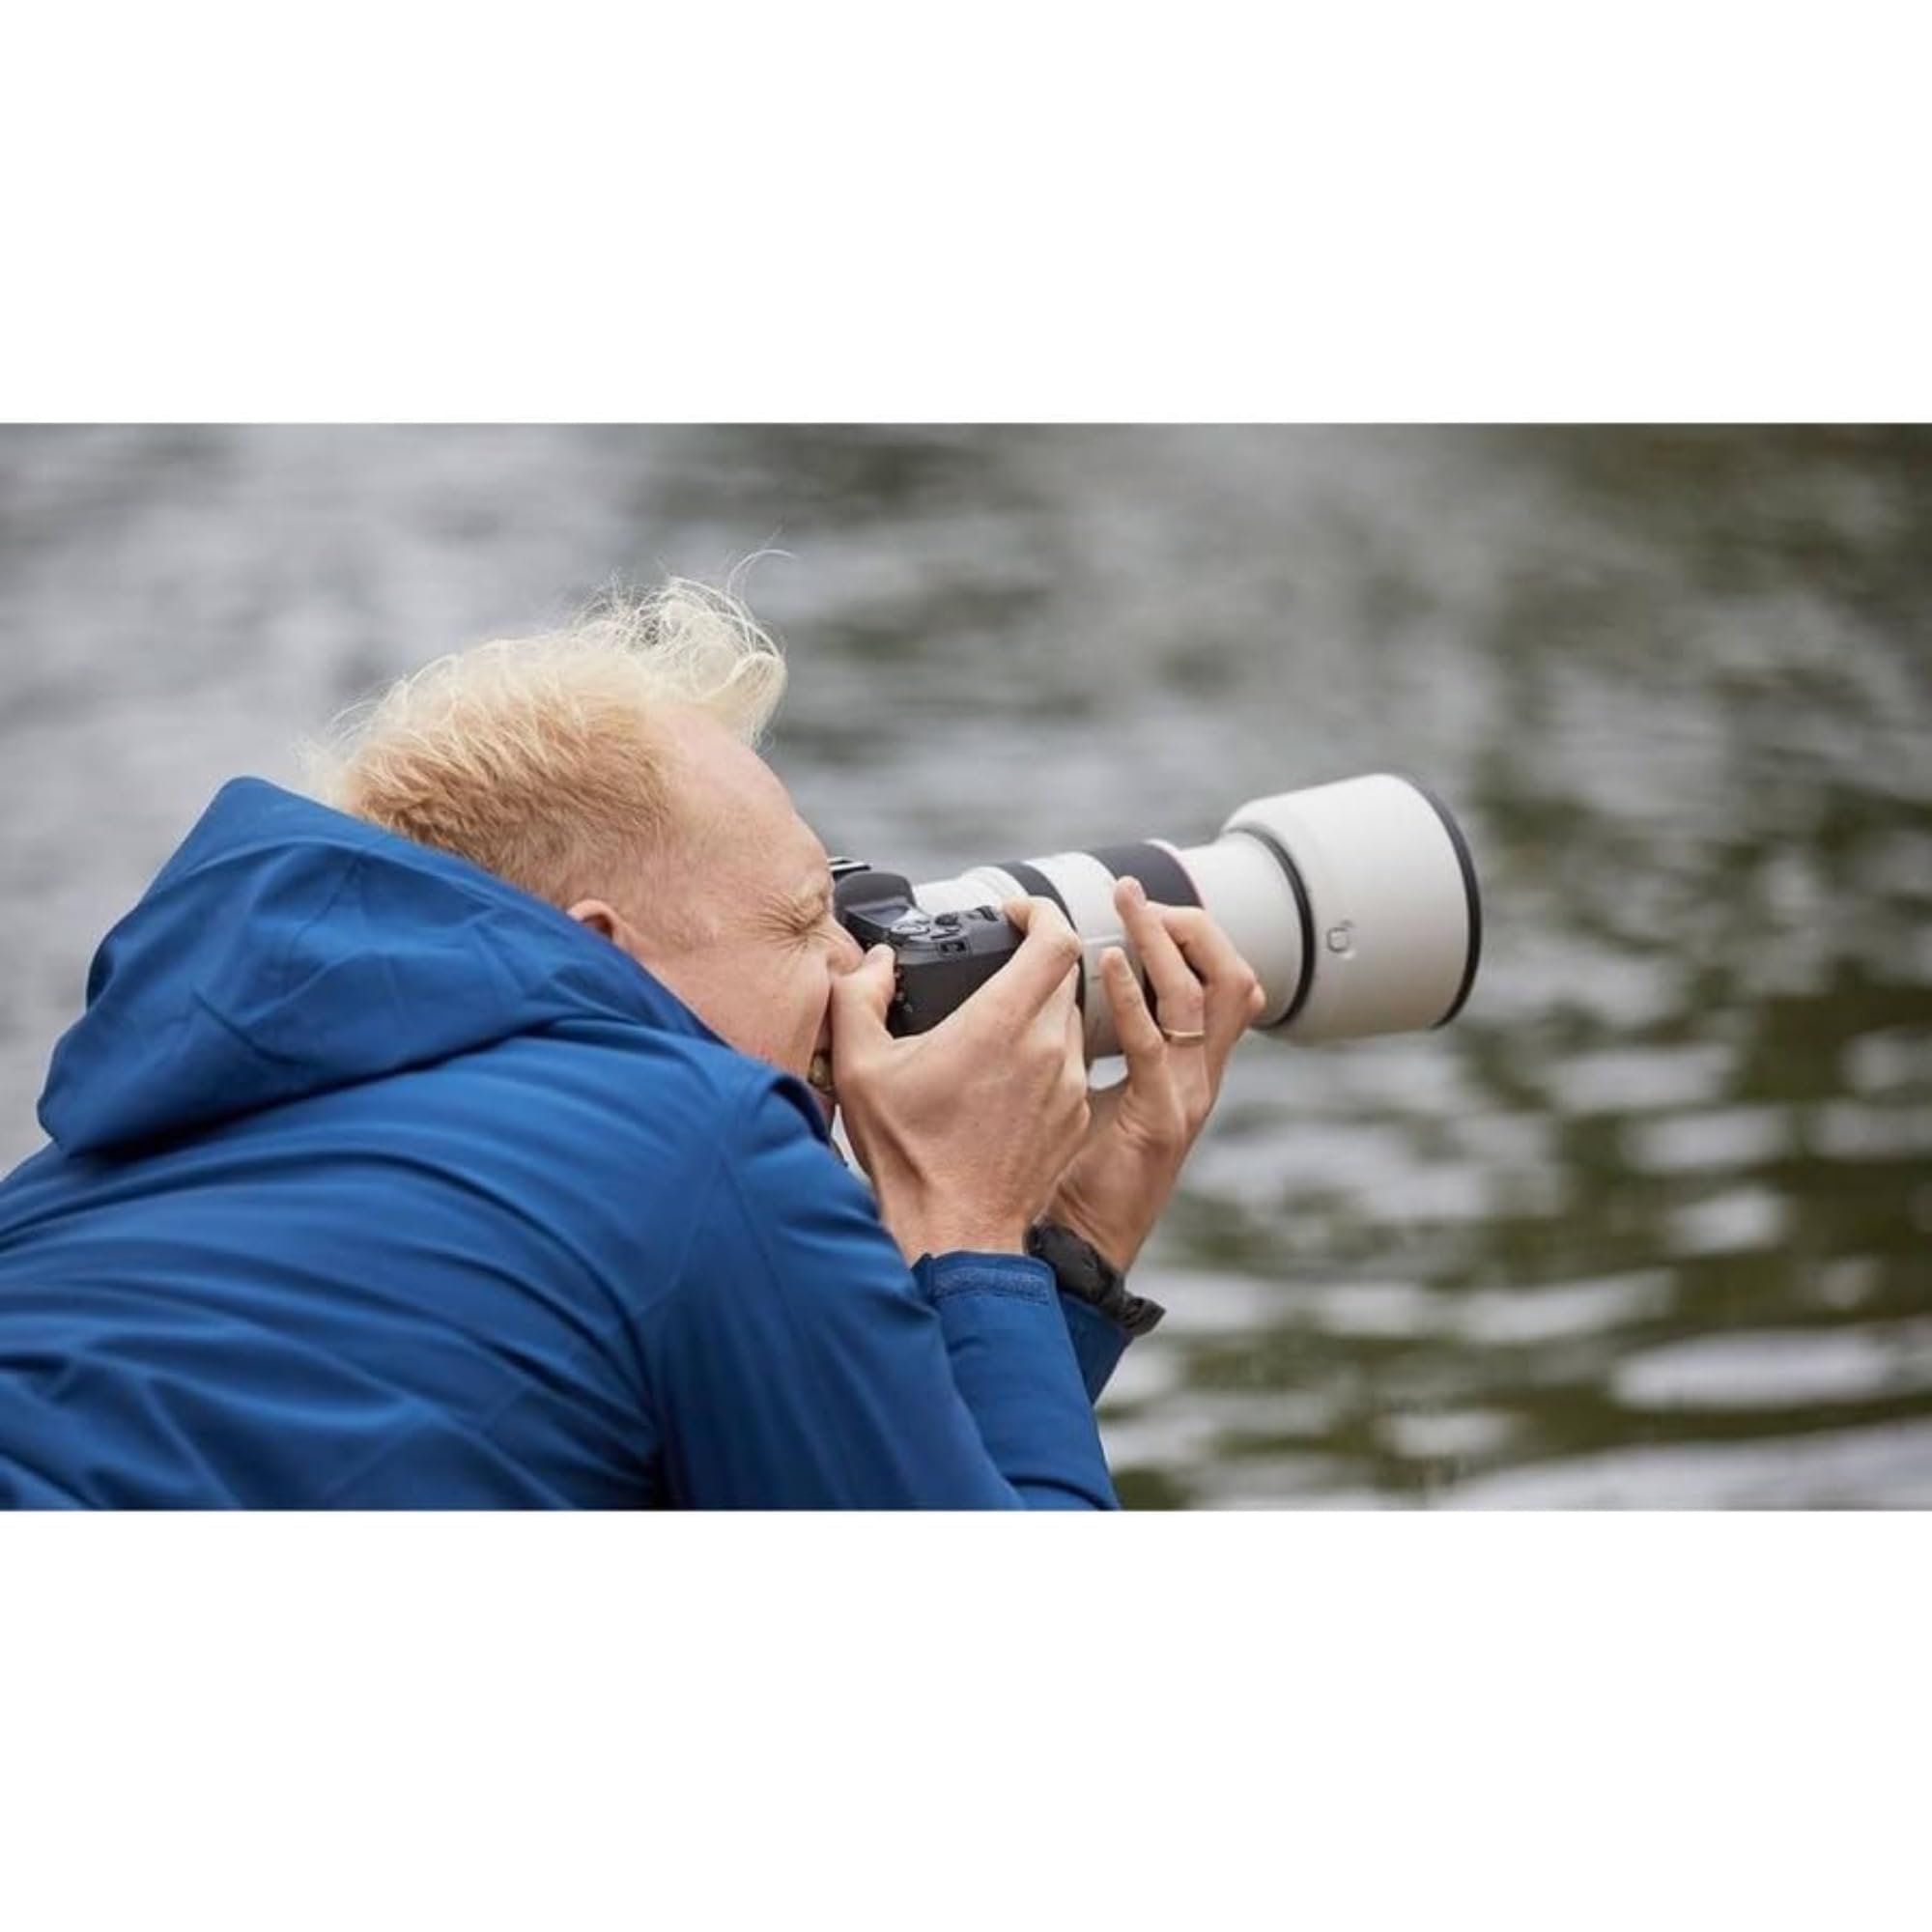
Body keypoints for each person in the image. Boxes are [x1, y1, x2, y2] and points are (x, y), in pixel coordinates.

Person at [0, 582, 1264, 1507]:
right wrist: (968, 1225)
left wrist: (1061, 1255)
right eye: (803, 921)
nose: (857, 971)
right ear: (607, 949)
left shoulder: (63, 1200)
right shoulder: (692, 1139)